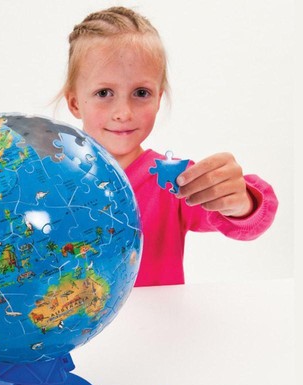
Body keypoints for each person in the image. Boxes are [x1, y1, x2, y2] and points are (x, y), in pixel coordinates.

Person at [59, 6, 278, 286]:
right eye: (104, 93)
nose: (124, 112)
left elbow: (248, 222)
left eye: (141, 93)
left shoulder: (175, 179)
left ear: (158, 99)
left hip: (161, 317)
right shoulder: (49, 180)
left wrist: (241, 200)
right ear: (75, 102)